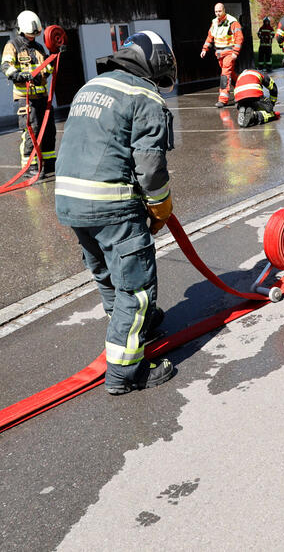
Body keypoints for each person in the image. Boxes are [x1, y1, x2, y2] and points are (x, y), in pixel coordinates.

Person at [53, 31, 179, 395]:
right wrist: (159, 205)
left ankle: (135, 329)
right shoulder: (143, 95)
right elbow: (150, 166)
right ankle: (126, 372)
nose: (159, 85)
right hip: (113, 206)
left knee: (109, 276)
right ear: (154, 63)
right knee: (136, 287)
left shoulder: (91, 87)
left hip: (71, 203)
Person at [1, 10, 56, 173]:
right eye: (31, 34)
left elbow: (47, 68)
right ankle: (30, 165)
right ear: (22, 29)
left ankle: (49, 162)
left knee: (48, 130)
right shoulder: (13, 46)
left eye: (35, 34)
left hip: (43, 97)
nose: (33, 37)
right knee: (32, 130)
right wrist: (18, 75)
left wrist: (54, 57)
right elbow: (6, 66)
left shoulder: (38, 47)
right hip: (25, 98)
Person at [200, 3, 244, 108]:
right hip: (219, 54)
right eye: (216, 12)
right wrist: (204, 49)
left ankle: (223, 99)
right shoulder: (214, 22)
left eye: (219, 11)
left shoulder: (232, 22)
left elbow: (239, 37)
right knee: (230, 74)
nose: (218, 14)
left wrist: (235, 52)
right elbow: (210, 37)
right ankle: (243, 88)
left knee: (225, 74)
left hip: (229, 53)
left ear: (224, 10)